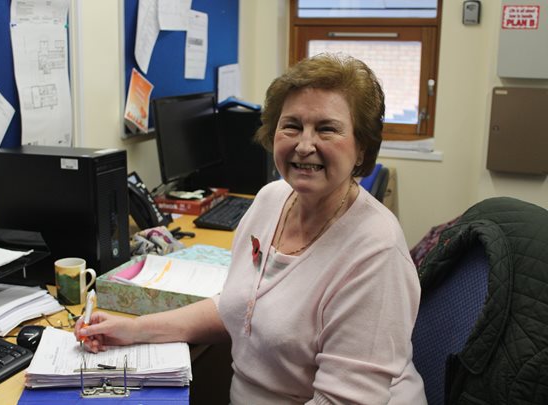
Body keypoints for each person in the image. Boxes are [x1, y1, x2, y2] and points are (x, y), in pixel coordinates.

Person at [75, 53, 427, 404]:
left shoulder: (375, 250)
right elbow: (240, 306)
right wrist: (133, 330)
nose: (304, 145)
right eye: (291, 125)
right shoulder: (271, 200)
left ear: (362, 147)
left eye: (326, 128)